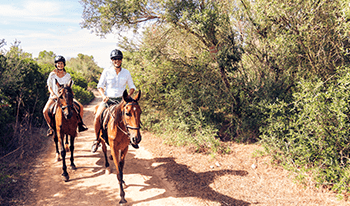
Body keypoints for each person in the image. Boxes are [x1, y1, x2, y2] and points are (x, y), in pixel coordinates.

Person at [91, 49, 137, 152]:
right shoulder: (106, 71)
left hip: (121, 102)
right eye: (115, 59)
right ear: (112, 60)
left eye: (119, 59)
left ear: (121, 60)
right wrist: (103, 96)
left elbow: (132, 87)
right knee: (98, 116)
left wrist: (128, 96)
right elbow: (100, 86)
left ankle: (131, 139)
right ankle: (97, 139)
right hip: (108, 100)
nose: (117, 61)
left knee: (132, 116)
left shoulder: (126, 72)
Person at [42, 55, 88, 136]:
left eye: (62, 63)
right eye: (58, 63)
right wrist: (53, 94)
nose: (60, 65)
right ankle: (51, 128)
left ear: (64, 64)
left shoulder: (68, 75)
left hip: (65, 97)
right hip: (54, 97)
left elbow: (69, 87)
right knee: (45, 111)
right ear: (56, 64)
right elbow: (49, 86)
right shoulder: (52, 75)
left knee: (80, 107)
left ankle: (80, 124)